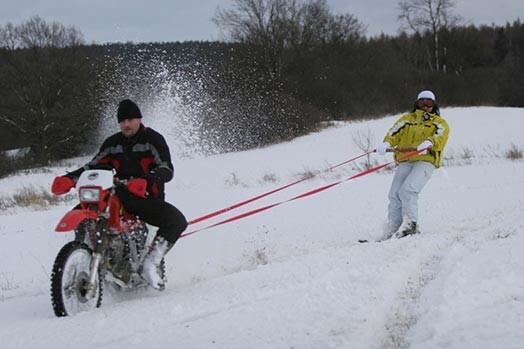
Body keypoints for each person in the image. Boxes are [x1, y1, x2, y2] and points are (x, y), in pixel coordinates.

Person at [55, 99, 187, 290]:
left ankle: (151, 263)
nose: (126, 124)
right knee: (83, 215)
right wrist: (69, 179)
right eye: (122, 121)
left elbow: (166, 169)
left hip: (145, 196)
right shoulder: (113, 143)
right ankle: (84, 260)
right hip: (119, 193)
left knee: (177, 221)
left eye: (130, 119)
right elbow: (92, 166)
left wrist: (147, 179)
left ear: (139, 119)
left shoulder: (153, 140)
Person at [375, 90, 450, 240]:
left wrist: (430, 142)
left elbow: (440, 136)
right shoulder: (407, 119)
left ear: (434, 105)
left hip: (425, 161)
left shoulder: (439, 123)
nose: (425, 106)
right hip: (406, 159)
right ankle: (394, 229)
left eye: (429, 103)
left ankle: (410, 226)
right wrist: (386, 143)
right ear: (417, 103)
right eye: (422, 103)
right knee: (395, 194)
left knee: (408, 190)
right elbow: (393, 132)